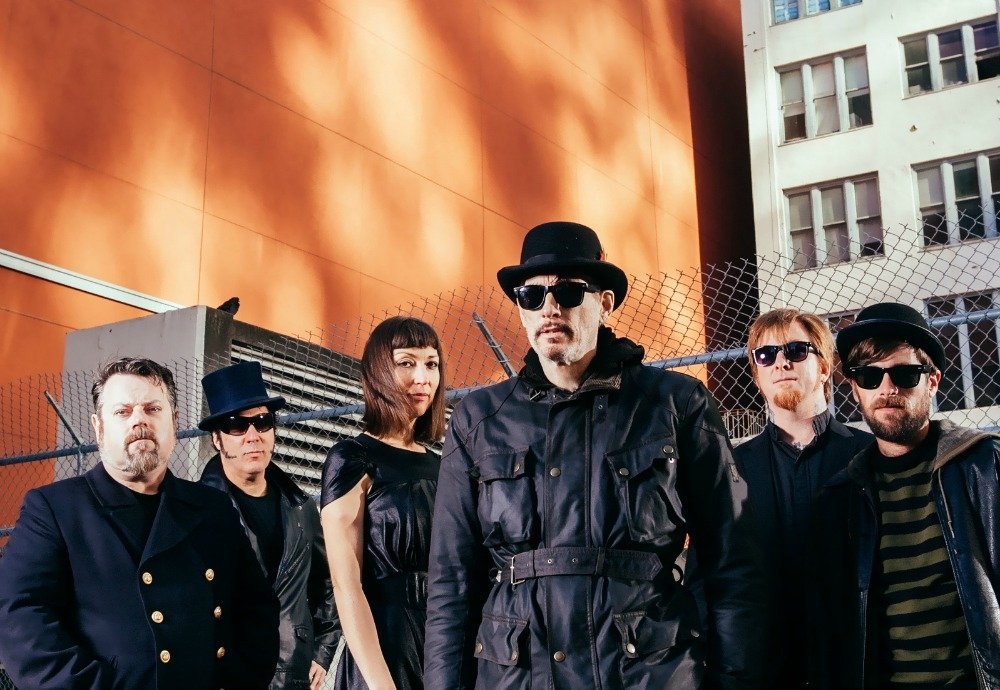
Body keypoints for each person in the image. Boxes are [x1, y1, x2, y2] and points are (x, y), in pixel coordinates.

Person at [424, 221, 766, 689]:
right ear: (520, 310)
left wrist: (732, 680)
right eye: (531, 295)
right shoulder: (479, 419)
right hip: (518, 676)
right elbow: (451, 580)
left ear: (604, 304)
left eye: (568, 292)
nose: (549, 308)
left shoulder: (675, 404)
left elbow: (732, 559)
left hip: (647, 674)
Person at [0, 357, 279, 689]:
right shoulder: (55, 509)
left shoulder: (212, 508)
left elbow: (257, 609)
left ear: (174, 421)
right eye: (123, 411)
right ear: (99, 427)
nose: (139, 421)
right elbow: (20, 618)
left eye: (152, 409)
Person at [820, 302, 1000, 688]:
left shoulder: (984, 466)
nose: (887, 389)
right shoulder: (844, 497)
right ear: (854, 388)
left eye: (904, 374)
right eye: (869, 376)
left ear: (932, 381)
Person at [735, 309, 872, 688]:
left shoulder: (869, 456)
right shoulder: (731, 468)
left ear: (824, 368)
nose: (781, 362)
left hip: (856, 665)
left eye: (796, 350)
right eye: (766, 355)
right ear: (758, 376)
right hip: (766, 670)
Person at [197, 360, 339, 690]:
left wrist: (322, 652)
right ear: (217, 439)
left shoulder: (301, 507)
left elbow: (327, 581)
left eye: (262, 422)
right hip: (227, 674)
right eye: (236, 426)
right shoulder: (197, 511)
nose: (253, 437)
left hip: (292, 671)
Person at [320, 316, 445, 690]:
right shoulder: (352, 457)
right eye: (407, 362)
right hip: (383, 650)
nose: (422, 378)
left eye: (431, 364)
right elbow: (346, 587)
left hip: (443, 647)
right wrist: (381, 685)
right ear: (378, 372)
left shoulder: (445, 465)